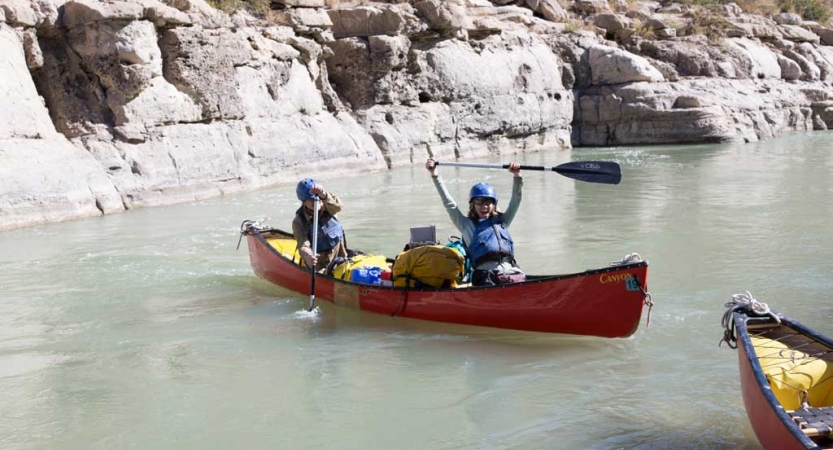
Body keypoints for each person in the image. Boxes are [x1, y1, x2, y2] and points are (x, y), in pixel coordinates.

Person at [425, 158, 526, 286]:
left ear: (494, 204)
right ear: (473, 205)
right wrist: (435, 175)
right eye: (479, 202)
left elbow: (516, 199)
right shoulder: (466, 225)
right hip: (486, 277)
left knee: (518, 277)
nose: (484, 206)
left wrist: (517, 175)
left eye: (488, 201)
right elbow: (448, 203)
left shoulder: (502, 221)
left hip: (510, 273)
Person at [291, 178, 348, 273]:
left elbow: (339, 206)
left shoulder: (328, 206)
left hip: (339, 254)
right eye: (311, 200)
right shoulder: (299, 221)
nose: (315, 201)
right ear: (303, 201)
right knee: (321, 273)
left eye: (317, 198)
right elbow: (303, 245)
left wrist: (323, 194)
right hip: (319, 263)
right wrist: (308, 255)